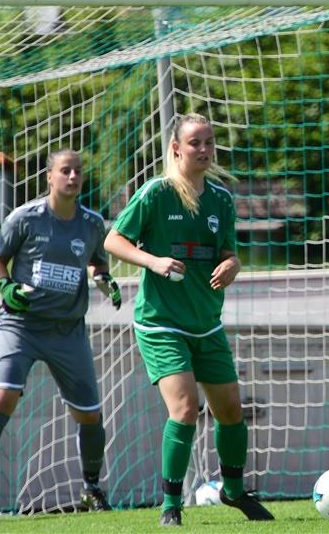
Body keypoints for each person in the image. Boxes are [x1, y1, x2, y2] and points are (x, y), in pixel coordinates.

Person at [104, 113, 273, 527]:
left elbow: (228, 252)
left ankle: (233, 492)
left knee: (231, 411)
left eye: (209, 142)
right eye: (195, 143)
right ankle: (170, 505)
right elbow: (113, 240)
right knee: (185, 409)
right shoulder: (156, 194)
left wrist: (233, 264)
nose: (204, 150)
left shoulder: (221, 199)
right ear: (176, 148)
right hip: (162, 323)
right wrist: (154, 261)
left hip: (207, 323)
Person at [0, 150, 120, 517]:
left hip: (67, 331)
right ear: (49, 177)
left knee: (89, 415)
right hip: (20, 326)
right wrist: (6, 287)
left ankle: (91, 488)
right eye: (65, 170)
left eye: (77, 171)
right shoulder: (25, 218)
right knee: (2, 397)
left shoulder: (91, 223)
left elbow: (96, 262)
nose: (72, 177)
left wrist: (104, 279)